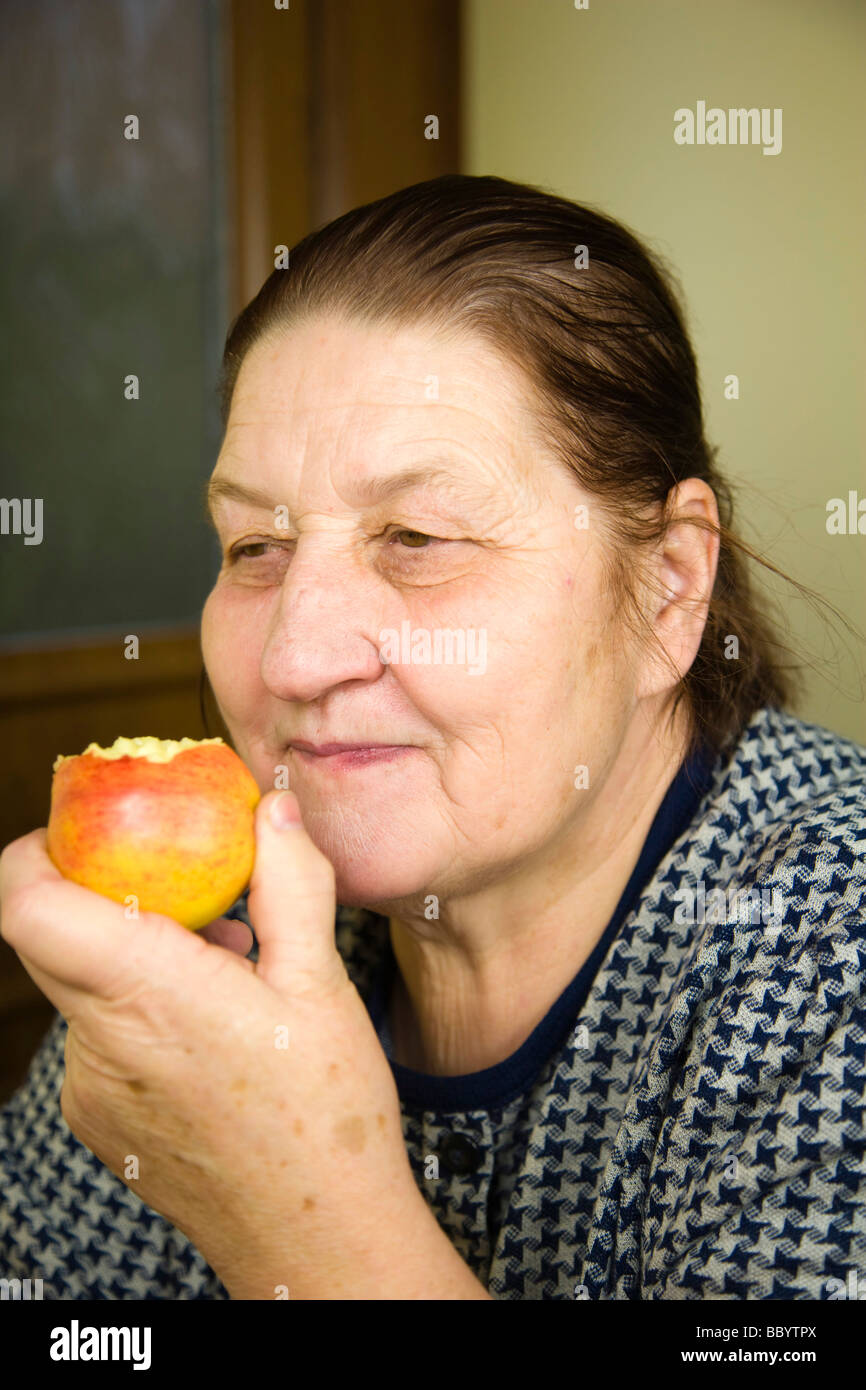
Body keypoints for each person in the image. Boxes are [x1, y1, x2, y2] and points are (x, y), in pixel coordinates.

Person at [1, 174, 864, 1300]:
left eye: (416, 534)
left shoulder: (833, 947)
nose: (292, 660)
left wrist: (295, 1215)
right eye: (254, 546)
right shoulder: (202, 948)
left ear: (666, 590)